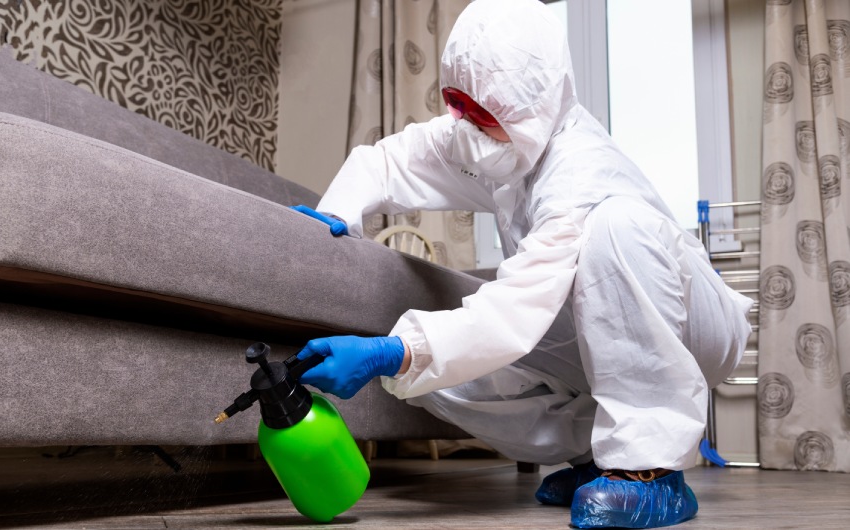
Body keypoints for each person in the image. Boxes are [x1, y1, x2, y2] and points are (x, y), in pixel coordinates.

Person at [290, 0, 753, 528]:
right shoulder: (489, 135)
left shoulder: (580, 172)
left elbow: (514, 311)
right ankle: (599, 459)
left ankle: (647, 466)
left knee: (613, 227)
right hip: (592, 327)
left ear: (533, 105)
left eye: (485, 116)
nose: (468, 127)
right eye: (458, 105)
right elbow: (389, 161)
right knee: (435, 375)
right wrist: (335, 215)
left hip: (696, 332)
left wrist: (390, 349)